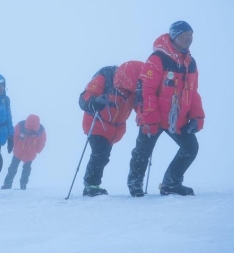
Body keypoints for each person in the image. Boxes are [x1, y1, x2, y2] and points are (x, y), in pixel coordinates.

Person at [127, 21, 205, 197]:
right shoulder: (158, 59)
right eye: (185, 34)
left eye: (191, 34)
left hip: (177, 118)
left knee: (191, 147)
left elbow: (193, 92)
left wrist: (197, 117)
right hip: (153, 116)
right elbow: (145, 88)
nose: (189, 38)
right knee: (143, 151)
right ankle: (135, 184)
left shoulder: (190, 63)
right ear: (175, 36)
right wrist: (149, 116)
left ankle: (171, 184)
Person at [78, 61, 144, 197]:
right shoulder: (105, 77)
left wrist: (147, 115)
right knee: (100, 153)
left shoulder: (134, 87)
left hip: (115, 129)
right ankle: (91, 185)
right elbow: (84, 98)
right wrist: (94, 102)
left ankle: (92, 184)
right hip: (96, 122)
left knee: (103, 156)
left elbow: (138, 107)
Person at [1, 114, 46, 190]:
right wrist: (15, 145)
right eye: (29, 129)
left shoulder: (41, 131)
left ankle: (23, 185)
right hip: (18, 152)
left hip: (30, 155)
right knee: (12, 168)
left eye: (32, 130)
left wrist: (37, 150)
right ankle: (7, 184)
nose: (30, 131)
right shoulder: (20, 126)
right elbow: (14, 135)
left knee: (26, 170)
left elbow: (42, 141)